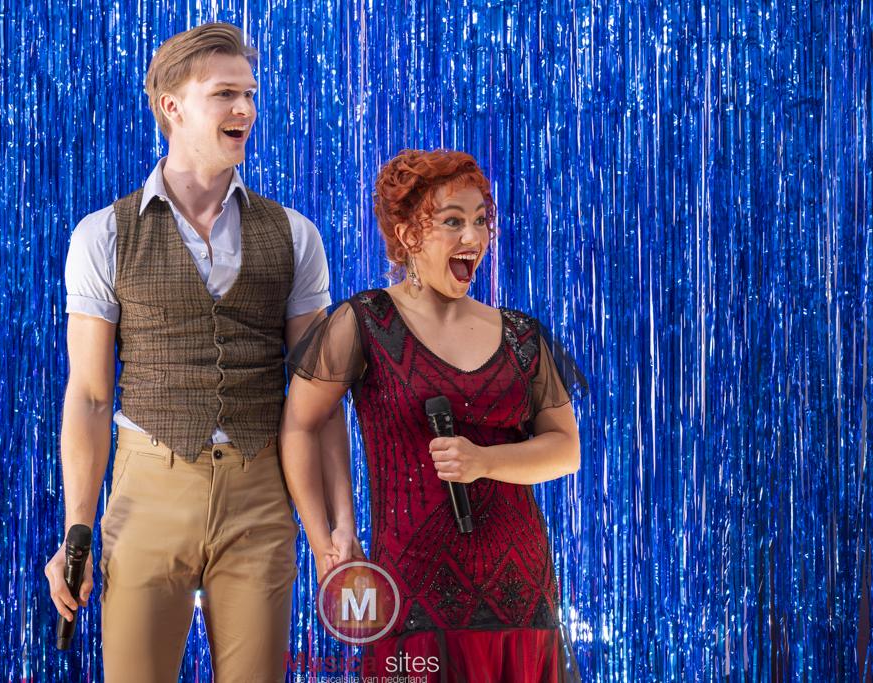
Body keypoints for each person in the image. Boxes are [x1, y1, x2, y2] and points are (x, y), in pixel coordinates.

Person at [43, 23, 351, 683]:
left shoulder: (295, 235)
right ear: (172, 107)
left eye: (250, 94)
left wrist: (333, 531)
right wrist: (76, 530)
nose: (246, 109)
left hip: (261, 492)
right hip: (148, 491)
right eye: (225, 94)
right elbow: (90, 395)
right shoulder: (103, 234)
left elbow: (320, 402)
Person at [281, 149, 588, 681]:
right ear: (407, 235)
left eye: (480, 221)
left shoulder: (521, 336)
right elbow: (301, 425)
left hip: (521, 596)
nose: (473, 237)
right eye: (452, 222)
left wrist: (482, 461)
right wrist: (325, 538)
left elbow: (565, 449)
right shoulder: (366, 322)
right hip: (412, 596)